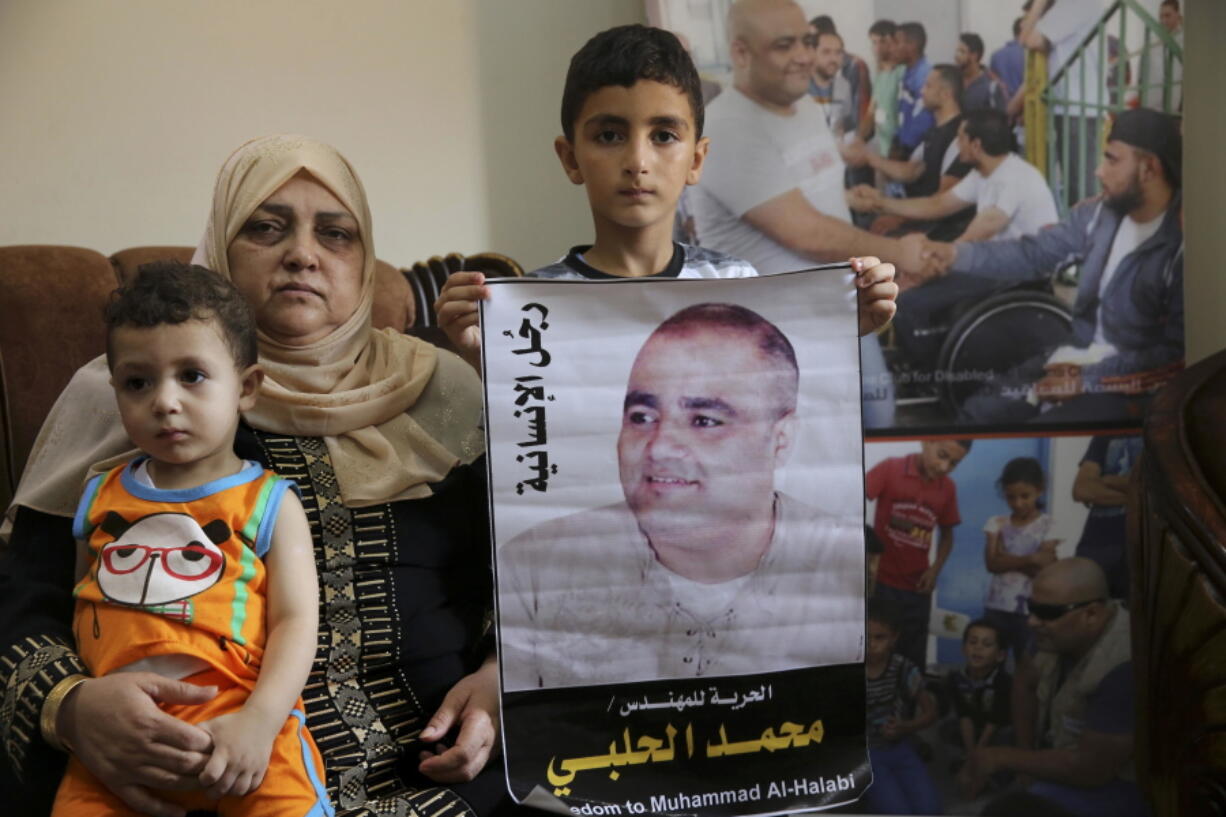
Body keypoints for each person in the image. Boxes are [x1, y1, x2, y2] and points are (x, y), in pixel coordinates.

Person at [0, 136, 507, 817]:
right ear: (218, 249)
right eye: (266, 228)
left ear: (364, 264)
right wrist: (69, 705)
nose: (303, 253)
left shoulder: (443, 386)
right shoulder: (125, 396)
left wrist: (501, 679)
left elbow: (529, 576)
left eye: (336, 233)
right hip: (189, 772)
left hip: (436, 772)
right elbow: (18, 596)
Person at [432, 22, 898, 404]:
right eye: (610, 135)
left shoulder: (738, 284)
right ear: (571, 158)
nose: (638, 161)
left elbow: (781, 401)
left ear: (696, 159)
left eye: (664, 135)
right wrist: (488, 361)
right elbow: (539, 441)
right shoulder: (532, 310)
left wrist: (843, 330)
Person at [53, 262, 328, 815]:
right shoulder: (97, 496)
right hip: (122, 739)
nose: (165, 401)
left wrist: (260, 720)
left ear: (246, 387)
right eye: (138, 382)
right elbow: (80, 607)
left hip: (241, 725)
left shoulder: (269, 501)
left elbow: (297, 621)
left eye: (192, 376)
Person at [498, 303, 862, 689]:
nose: (660, 448)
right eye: (642, 417)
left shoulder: (849, 567)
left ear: (781, 440)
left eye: (704, 421)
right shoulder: (536, 566)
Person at [676, 0, 922, 430]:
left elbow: (815, 203)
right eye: (784, 45)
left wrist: (857, 208)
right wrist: (899, 252)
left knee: (878, 423)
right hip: (779, 339)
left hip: (843, 310)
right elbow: (808, 233)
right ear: (741, 54)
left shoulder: (806, 107)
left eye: (807, 41)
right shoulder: (729, 127)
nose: (804, 55)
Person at [913, 108, 1184, 425]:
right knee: (976, 414)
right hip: (1074, 356)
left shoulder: (1183, 244)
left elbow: (1178, 357)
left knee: (1043, 432)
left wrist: (1087, 380)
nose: (1098, 171)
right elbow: (1033, 254)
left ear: (1149, 169)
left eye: (1112, 160)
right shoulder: (1098, 215)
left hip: (1132, 389)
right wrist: (956, 254)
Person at [963, 558, 1149, 816]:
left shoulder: (1125, 665)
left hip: (1118, 783)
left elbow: (1092, 770)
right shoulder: (1052, 632)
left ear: (1092, 614)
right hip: (1060, 746)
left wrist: (1004, 758)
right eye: (1032, 608)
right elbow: (1024, 684)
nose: (1032, 622)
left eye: (1047, 613)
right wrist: (1024, 755)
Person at [851, 109, 1058, 248]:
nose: (957, 145)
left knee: (913, 298)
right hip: (995, 257)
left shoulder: (1013, 177)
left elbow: (978, 234)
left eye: (960, 138)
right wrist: (880, 202)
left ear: (976, 145)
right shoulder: (982, 172)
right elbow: (937, 205)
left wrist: (933, 256)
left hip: (1018, 266)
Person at [866, 439, 970, 670]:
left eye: (954, 463)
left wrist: (935, 570)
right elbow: (853, 497)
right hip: (881, 584)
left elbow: (948, 535)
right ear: (926, 442)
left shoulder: (948, 488)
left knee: (913, 657)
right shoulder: (891, 468)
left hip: (917, 589)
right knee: (877, 655)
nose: (944, 467)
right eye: (942, 455)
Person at [1019, 0, 1107, 207]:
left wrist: (1040, 4)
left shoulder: (1075, 4)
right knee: (1075, 187)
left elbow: (1027, 38)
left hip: (1078, 107)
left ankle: (1087, 237)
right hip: (1073, 106)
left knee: (1082, 190)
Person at [844, 63, 972, 202]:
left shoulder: (960, 135)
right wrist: (869, 157)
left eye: (928, 86)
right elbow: (911, 170)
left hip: (933, 218)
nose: (922, 91)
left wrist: (900, 216)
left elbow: (945, 199)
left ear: (945, 94)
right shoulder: (934, 132)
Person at [862, 600, 941, 815]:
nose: (871, 644)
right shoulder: (849, 669)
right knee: (896, 810)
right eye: (866, 636)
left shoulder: (903, 668)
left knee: (930, 809)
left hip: (900, 746)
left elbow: (931, 712)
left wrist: (906, 727)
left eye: (880, 637)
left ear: (894, 638)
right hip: (865, 754)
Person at [983, 457, 1059, 666]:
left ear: (1039, 490)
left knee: (1025, 664)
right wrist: (1032, 557)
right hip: (995, 607)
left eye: (1025, 496)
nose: (1018, 503)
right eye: (1011, 497)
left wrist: (1006, 558)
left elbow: (1043, 570)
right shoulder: (996, 523)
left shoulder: (1049, 524)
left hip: (1029, 613)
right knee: (989, 663)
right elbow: (992, 564)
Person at [1071, 434, 1141, 601]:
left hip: (1142, 545)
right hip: (1096, 544)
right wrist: (1139, 496)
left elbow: (1163, 489)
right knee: (1084, 606)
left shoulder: (1165, 432)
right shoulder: (1105, 434)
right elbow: (1082, 489)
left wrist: (1107, 481)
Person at [942, 619, 1012, 770]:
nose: (978, 648)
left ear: (1000, 656)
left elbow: (995, 721)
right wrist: (971, 752)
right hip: (975, 726)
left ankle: (992, 765)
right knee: (947, 728)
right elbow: (964, 716)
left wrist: (979, 751)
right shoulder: (955, 679)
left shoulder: (1004, 682)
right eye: (973, 642)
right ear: (963, 648)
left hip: (995, 729)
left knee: (1008, 736)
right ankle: (969, 757)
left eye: (987, 645)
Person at [864, 19, 904, 157]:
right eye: (874, 42)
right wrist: (858, 140)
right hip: (880, 146)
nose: (877, 48)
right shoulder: (879, 74)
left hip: (898, 150)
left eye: (881, 42)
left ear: (893, 43)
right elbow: (872, 110)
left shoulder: (902, 72)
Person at [894, 22, 935, 157]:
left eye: (897, 42)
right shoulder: (907, 71)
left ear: (912, 45)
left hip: (915, 150)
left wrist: (905, 148)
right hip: (904, 144)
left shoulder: (924, 75)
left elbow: (923, 119)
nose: (892, 48)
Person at [956, 33, 1008, 113]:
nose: (956, 56)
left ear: (974, 56)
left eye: (962, 52)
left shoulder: (990, 87)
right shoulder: (953, 82)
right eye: (957, 51)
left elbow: (999, 120)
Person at [990, 17, 1026, 100]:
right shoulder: (1029, 56)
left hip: (1002, 106)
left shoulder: (996, 55)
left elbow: (993, 82)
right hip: (1024, 106)